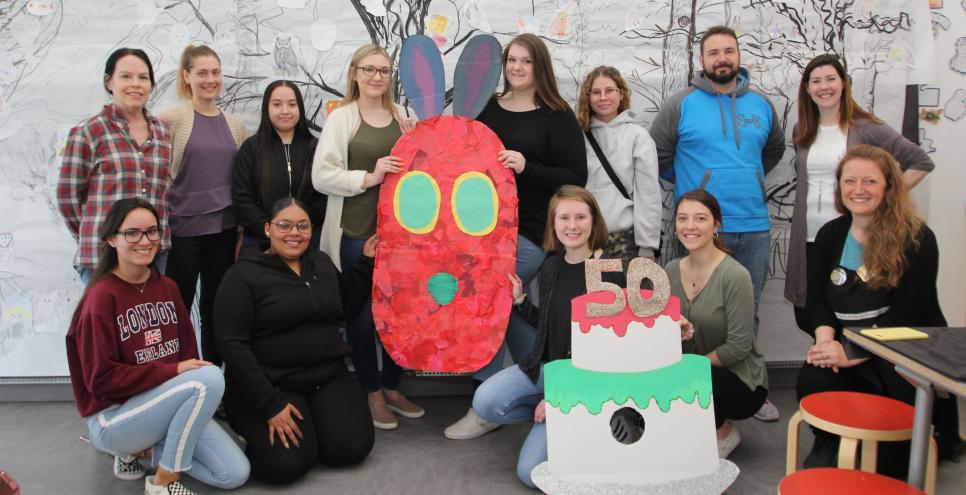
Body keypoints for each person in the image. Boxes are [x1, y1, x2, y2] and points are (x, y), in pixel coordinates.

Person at [446, 32, 588, 440]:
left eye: (526, 61)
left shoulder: (556, 115)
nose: (517, 67)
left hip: (529, 231)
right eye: (512, 60)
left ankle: (485, 403)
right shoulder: (488, 109)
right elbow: (457, 153)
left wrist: (529, 168)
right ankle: (550, 372)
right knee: (500, 304)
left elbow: (576, 177)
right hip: (480, 232)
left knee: (489, 300)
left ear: (539, 66)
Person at [66, 198, 249, 495]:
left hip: (161, 405)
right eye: (132, 233)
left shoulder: (166, 287)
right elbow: (100, 381)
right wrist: (172, 370)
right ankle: (164, 480)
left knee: (234, 473)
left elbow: (187, 352)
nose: (145, 240)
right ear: (112, 238)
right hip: (114, 418)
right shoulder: (101, 298)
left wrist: (177, 374)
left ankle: (144, 452)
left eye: (152, 231)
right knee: (210, 378)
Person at [796, 144, 959, 474]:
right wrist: (826, 342)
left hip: (905, 353)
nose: (858, 190)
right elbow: (818, 300)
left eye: (869, 181)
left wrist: (851, 352)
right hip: (851, 346)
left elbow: (904, 314)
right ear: (840, 187)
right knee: (813, 376)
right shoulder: (831, 234)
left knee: (891, 468)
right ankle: (829, 439)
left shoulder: (917, 239)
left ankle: (927, 438)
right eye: (850, 181)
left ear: (889, 185)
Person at [650, 25, 784, 422]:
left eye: (729, 51)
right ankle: (691, 388)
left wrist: (750, 180)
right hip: (699, 231)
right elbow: (657, 154)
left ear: (738, 56)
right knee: (687, 311)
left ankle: (749, 389)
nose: (722, 58)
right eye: (713, 52)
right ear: (702, 60)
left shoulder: (761, 105)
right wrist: (697, 186)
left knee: (750, 309)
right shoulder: (682, 104)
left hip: (754, 224)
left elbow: (773, 151)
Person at [214, 198, 375, 484]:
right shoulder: (242, 275)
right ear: (267, 229)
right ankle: (258, 428)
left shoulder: (321, 264)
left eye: (302, 226)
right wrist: (269, 404)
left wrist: (365, 262)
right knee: (285, 466)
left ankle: (316, 427)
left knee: (350, 449)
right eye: (284, 225)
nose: (294, 233)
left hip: (327, 376)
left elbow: (347, 305)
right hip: (273, 384)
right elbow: (231, 344)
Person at [472, 185, 619, 488]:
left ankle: (575, 419)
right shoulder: (551, 266)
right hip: (546, 370)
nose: (572, 226)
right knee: (484, 401)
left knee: (530, 474)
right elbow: (549, 326)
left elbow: (608, 354)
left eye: (580, 217)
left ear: (594, 221)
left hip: (585, 382)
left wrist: (561, 400)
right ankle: (553, 416)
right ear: (553, 223)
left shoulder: (607, 271)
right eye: (563, 218)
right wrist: (520, 302)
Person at [311, 44, 423, 430]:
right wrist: (369, 178)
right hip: (358, 234)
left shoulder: (403, 116)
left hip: (402, 238)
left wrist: (418, 142)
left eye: (384, 70)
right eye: (369, 69)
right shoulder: (342, 119)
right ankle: (372, 391)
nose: (377, 77)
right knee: (361, 318)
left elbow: (425, 175)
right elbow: (321, 177)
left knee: (401, 315)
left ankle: (392, 386)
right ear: (355, 73)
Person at [785, 54, 935, 330]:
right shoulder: (802, 130)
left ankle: (854, 361)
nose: (824, 86)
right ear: (807, 88)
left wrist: (885, 197)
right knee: (809, 314)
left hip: (850, 236)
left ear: (843, 84)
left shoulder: (866, 127)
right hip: (809, 238)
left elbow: (920, 162)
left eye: (831, 79)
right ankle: (833, 358)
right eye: (815, 81)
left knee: (852, 310)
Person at [158, 45, 247, 367]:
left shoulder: (234, 123)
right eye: (202, 73)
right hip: (183, 231)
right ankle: (180, 376)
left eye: (215, 72)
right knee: (178, 309)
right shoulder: (171, 119)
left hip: (223, 230)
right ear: (187, 76)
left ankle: (213, 378)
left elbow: (238, 181)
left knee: (215, 309)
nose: (210, 79)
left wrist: (239, 231)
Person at [665, 189, 769, 459]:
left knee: (694, 376)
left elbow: (738, 346)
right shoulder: (670, 270)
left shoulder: (735, 275)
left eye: (700, 218)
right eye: (682, 218)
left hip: (738, 381)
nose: (690, 226)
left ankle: (723, 431)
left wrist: (688, 370)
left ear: (716, 225)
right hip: (691, 373)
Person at [57, 48, 172, 284]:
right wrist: (99, 232)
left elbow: (163, 194)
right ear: (109, 82)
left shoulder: (162, 132)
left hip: (153, 252)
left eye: (143, 77)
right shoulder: (89, 132)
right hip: (104, 256)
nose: (136, 84)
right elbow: (67, 197)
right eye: (126, 76)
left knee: (149, 321)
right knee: (103, 320)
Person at [575, 65, 660, 266]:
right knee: (584, 298)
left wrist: (647, 246)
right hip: (583, 241)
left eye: (609, 91)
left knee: (623, 298)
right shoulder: (577, 137)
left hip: (624, 243)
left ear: (621, 94)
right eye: (596, 92)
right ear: (588, 97)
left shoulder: (638, 137)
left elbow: (648, 195)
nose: (603, 97)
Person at [233, 80, 325, 250]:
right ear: (266, 108)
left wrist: (299, 228)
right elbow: (242, 199)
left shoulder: (317, 148)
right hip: (261, 242)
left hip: (307, 241)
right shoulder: (251, 149)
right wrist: (273, 231)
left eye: (292, 104)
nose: (285, 111)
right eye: (277, 104)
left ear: (300, 108)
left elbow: (325, 195)